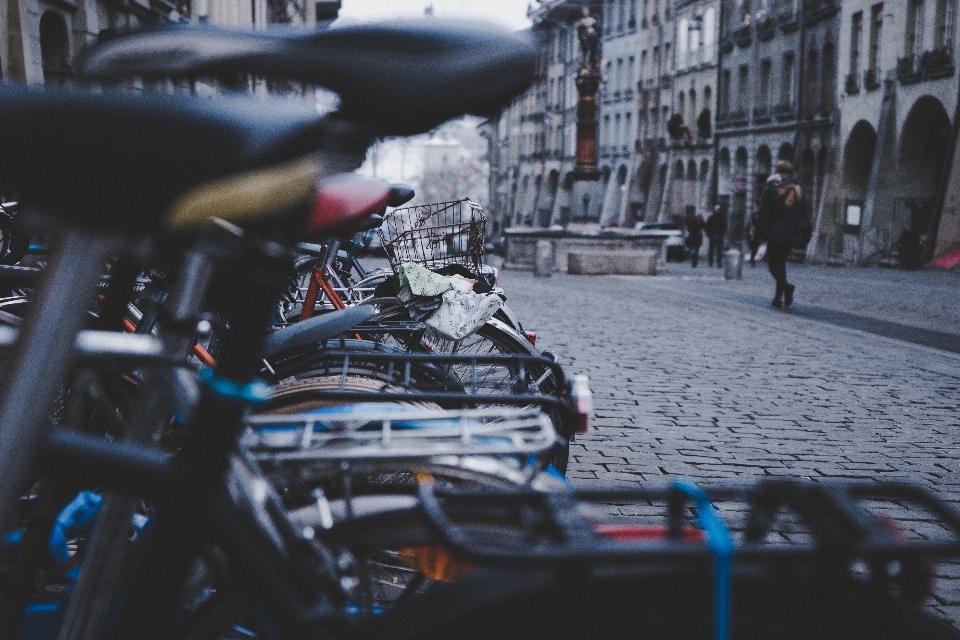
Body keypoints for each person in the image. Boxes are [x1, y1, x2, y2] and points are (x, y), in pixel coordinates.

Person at [757, 160, 810, 308]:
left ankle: (787, 286)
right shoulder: (798, 190)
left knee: (773, 265)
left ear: (777, 172)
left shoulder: (771, 189)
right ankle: (778, 298)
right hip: (791, 234)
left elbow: (764, 213)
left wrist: (760, 230)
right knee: (781, 264)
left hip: (775, 233)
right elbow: (803, 213)